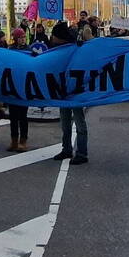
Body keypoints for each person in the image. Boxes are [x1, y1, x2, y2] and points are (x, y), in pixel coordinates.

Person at [50, 22, 89, 164]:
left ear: (59, 37)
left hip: (74, 90)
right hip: (64, 90)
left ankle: (82, 153)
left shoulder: (74, 48)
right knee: (66, 122)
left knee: (78, 122)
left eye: (54, 36)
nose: (52, 38)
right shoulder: (63, 48)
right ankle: (67, 149)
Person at [6, 28, 31, 152]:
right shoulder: (10, 50)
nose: (23, 39)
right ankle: (14, 140)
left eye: (23, 37)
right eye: (20, 37)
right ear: (16, 38)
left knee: (23, 116)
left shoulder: (29, 50)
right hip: (12, 85)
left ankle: (23, 141)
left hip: (24, 86)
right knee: (13, 116)